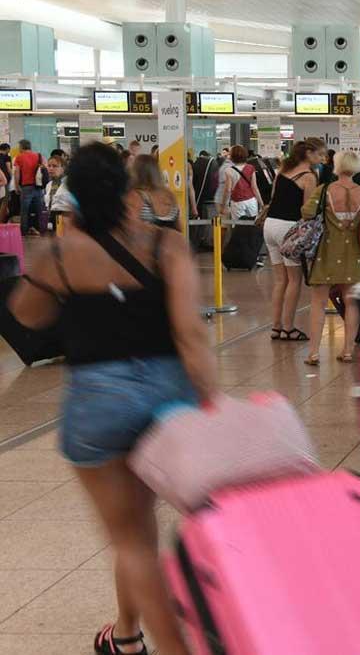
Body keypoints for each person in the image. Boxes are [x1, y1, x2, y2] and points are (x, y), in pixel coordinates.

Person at [7, 142, 217, 655]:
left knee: (132, 540)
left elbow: (27, 317)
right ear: (128, 192)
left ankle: (162, 647)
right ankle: (125, 634)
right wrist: (213, 407)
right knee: (149, 526)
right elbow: (190, 335)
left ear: (72, 197)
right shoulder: (165, 246)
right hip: (168, 397)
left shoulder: (57, 253)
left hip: (97, 402)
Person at [301, 150, 360, 366]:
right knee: (351, 302)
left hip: (326, 252)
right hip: (354, 254)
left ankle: (314, 353)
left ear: (337, 166)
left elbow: (307, 212)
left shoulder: (325, 190)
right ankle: (347, 350)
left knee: (318, 302)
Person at [262, 141, 320, 342]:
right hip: (288, 229)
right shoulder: (308, 177)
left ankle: (276, 327)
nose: (321, 159)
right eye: (319, 155)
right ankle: (288, 328)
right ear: (308, 154)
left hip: (270, 226)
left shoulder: (282, 171)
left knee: (280, 280)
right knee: (294, 281)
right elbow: (307, 211)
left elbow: (273, 198)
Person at [128, 155, 179, 230]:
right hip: (170, 240)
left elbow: (130, 228)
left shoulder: (136, 196)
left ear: (135, 172)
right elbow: (178, 228)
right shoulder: (169, 195)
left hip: (144, 240)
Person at [13, 139, 47, 236]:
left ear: (22, 147)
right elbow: (44, 170)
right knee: (39, 210)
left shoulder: (19, 157)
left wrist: (16, 186)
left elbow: (17, 173)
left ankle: (23, 232)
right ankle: (41, 230)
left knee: (24, 211)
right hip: (39, 187)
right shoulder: (39, 156)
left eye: (19, 146)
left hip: (26, 187)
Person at [221, 145, 263, 220]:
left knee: (239, 227)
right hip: (251, 201)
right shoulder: (251, 168)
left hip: (237, 203)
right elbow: (255, 187)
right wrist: (261, 203)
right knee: (253, 225)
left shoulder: (229, 170)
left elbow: (228, 190)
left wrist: (224, 206)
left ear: (232, 156)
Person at [44, 154, 74, 231]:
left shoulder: (69, 183)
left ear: (63, 168)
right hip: (52, 217)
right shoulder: (49, 185)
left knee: (64, 240)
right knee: (56, 240)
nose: (51, 168)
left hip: (66, 216)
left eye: (54, 166)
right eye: (49, 166)